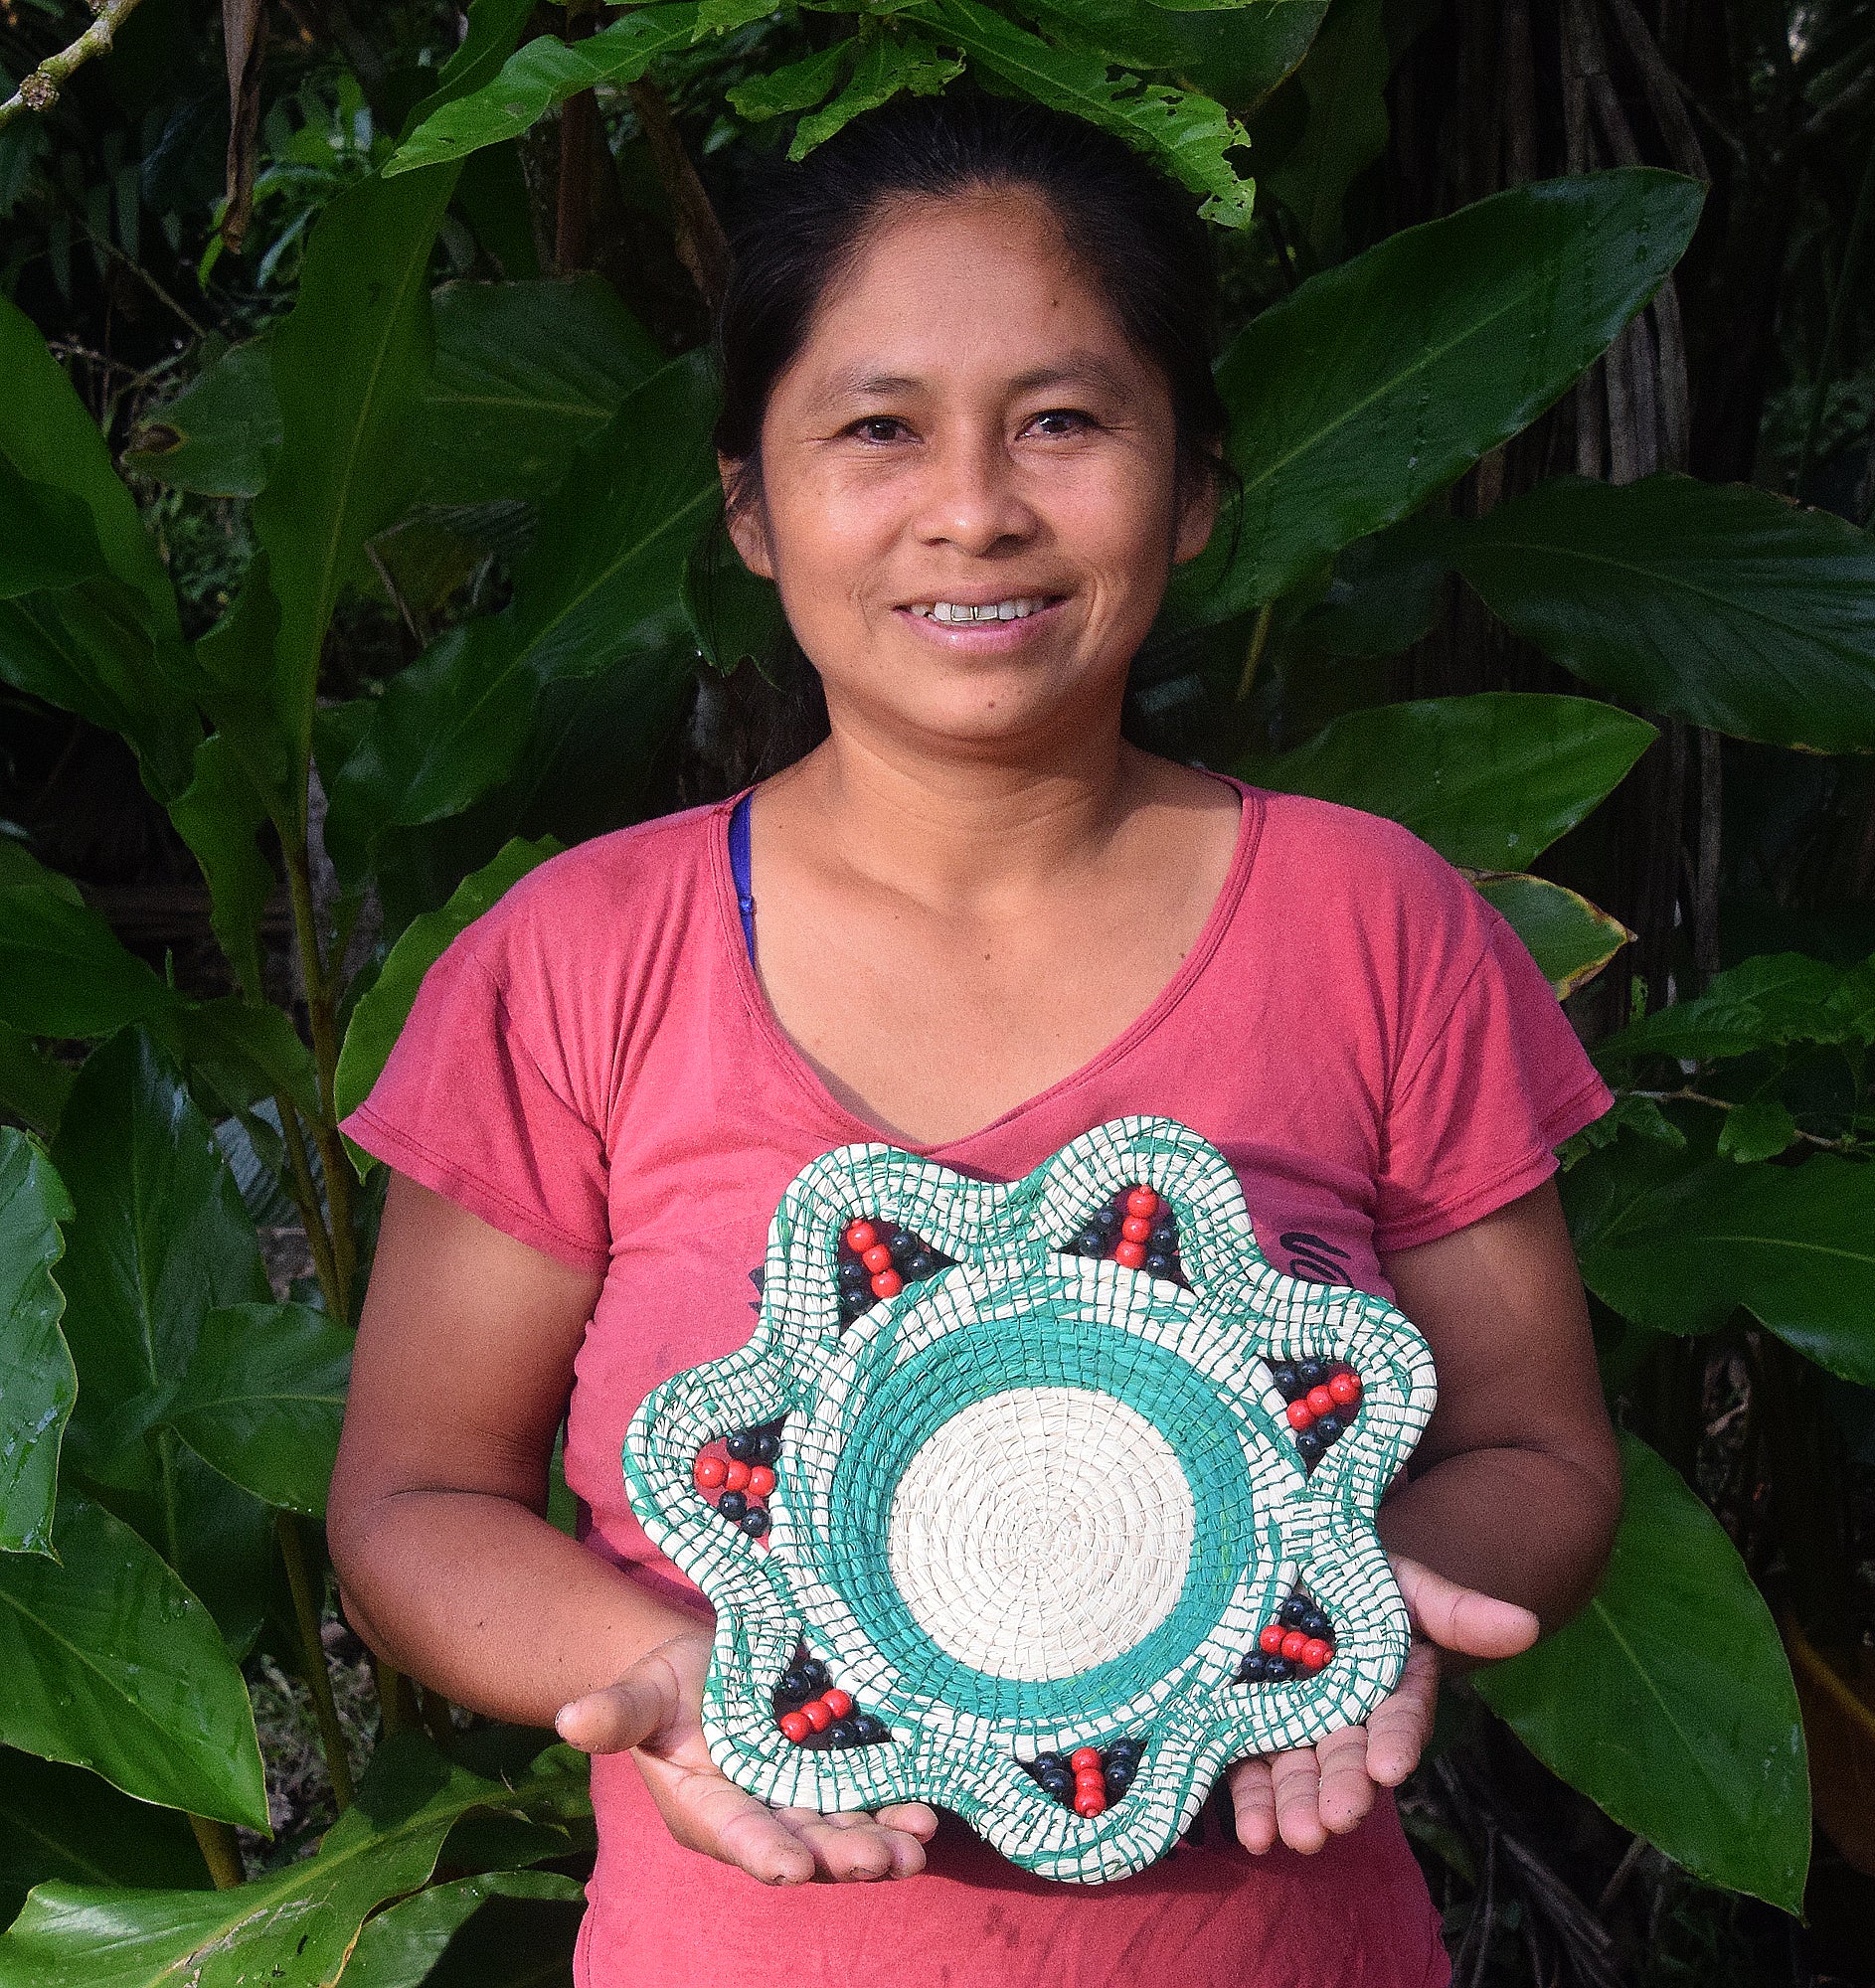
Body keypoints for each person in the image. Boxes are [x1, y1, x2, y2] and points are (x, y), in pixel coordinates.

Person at [329, 87, 1621, 1988]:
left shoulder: (1377, 928)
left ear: (1188, 487)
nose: (975, 509)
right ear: (751, 509)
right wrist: (683, 1683)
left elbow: (1539, 1451)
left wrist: (1369, 1605)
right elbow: (413, 1499)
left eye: (1063, 422)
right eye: (877, 429)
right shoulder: (577, 963)